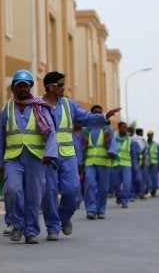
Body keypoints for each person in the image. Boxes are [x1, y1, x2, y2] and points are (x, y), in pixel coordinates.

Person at [40, 72, 119, 239]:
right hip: (47, 156)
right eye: (61, 85)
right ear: (50, 87)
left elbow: (86, 118)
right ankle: (53, 228)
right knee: (49, 193)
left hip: (68, 155)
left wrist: (104, 116)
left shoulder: (69, 105)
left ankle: (64, 217)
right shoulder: (38, 105)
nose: (64, 88)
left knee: (72, 189)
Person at [0, 69, 57, 244]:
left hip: (36, 158)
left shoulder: (40, 107)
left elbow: (51, 132)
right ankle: (17, 224)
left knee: (34, 195)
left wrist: (50, 154)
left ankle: (30, 231)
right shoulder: (7, 109)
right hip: (13, 158)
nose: (23, 88)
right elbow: (0, 136)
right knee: (12, 190)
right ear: (13, 88)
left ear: (30, 86)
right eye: (19, 85)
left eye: (26, 85)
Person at [82, 105, 117, 219]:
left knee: (103, 188)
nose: (97, 114)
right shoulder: (86, 130)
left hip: (104, 162)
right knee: (90, 185)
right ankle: (91, 210)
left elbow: (113, 143)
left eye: (99, 112)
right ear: (91, 115)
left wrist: (112, 151)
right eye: (95, 113)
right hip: (89, 162)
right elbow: (80, 146)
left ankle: (101, 209)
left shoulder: (108, 129)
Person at [110, 122, 140, 208]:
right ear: (118, 128)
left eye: (125, 127)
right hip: (115, 165)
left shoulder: (131, 140)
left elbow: (134, 155)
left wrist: (135, 167)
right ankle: (119, 196)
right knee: (114, 184)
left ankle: (125, 200)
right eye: (122, 127)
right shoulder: (114, 139)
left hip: (126, 165)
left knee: (127, 184)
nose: (123, 129)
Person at [131, 128, 148, 200]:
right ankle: (140, 193)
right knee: (140, 179)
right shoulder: (142, 140)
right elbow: (145, 152)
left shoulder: (131, 139)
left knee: (135, 179)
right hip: (139, 163)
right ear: (141, 133)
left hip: (133, 162)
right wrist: (144, 162)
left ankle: (136, 194)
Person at [145, 130, 159, 197]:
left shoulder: (156, 144)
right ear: (147, 135)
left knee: (154, 177)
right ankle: (147, 189)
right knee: (146, 177)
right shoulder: (145, 143)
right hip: (146, 163)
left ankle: (153, 190)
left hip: (154, 163)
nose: (151, 136)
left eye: (152, 135)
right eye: (149, 135)